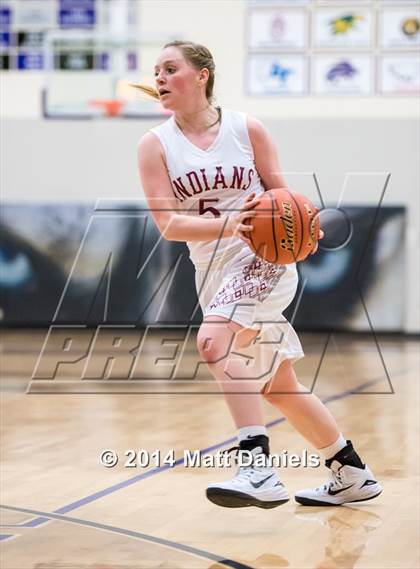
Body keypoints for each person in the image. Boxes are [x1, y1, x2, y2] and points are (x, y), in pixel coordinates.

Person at [135, 40, 382, 508]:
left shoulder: (246, 129)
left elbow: (283, 197)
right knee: (278, 386)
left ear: (202, 74)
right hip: (210, 269)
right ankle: (350, 473)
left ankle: (257, 467)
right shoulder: (155, 145)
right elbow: (169, 225)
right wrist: (229, 222)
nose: (160, 78)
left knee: (214, 343)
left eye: (171, 69)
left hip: (261, 259)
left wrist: (296, 228)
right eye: (157, 71)